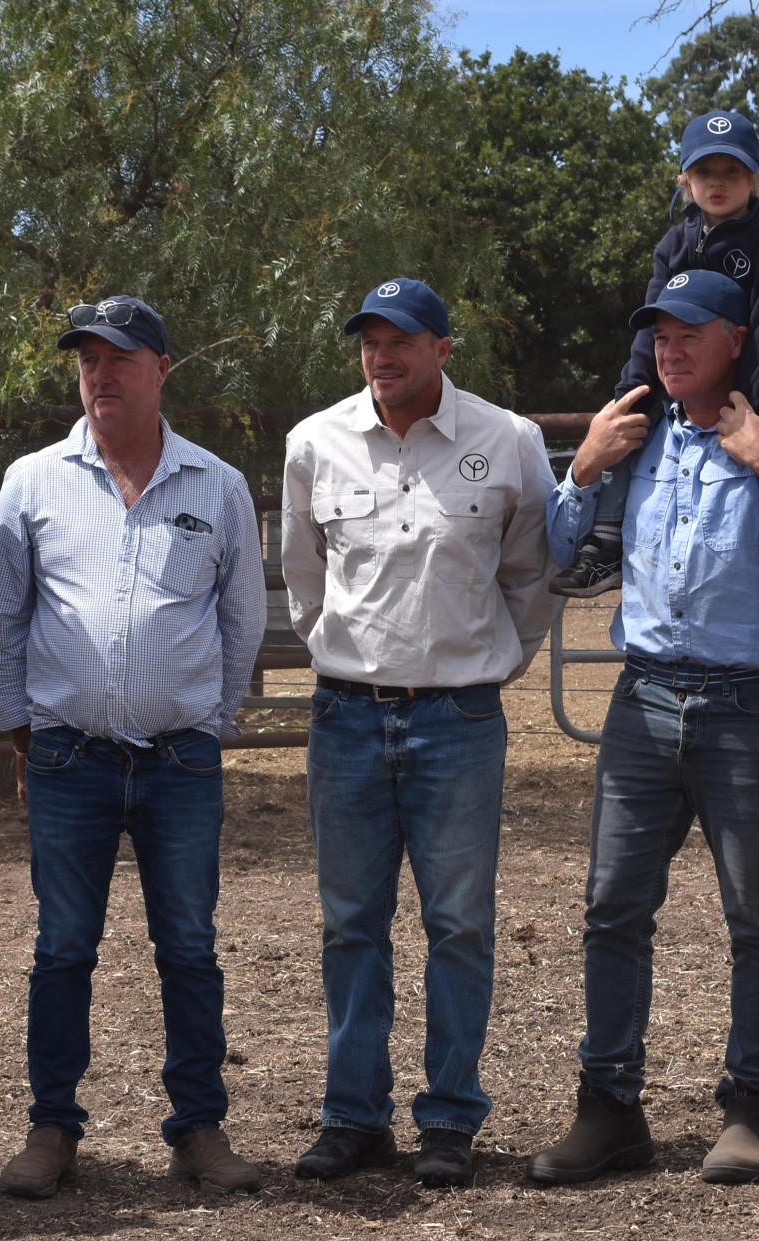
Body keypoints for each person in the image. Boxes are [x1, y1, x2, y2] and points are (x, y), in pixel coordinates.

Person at [531, 269, 759, 1186]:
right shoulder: (634, 440)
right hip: (644, 697)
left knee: (757, 915)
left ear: (734, 338)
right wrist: (583, 469)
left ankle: (751, 1107)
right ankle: (609, 1107)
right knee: (612, 907)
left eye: (689, 332)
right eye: (660, 333)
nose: (669, 347)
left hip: (752, 704)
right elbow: (563, 558)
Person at [0, 295, 268, 1199]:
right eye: (87, 360)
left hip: (181, 758)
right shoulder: (33, 480)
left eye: (119, 358)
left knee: (188, 943)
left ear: (161, 370)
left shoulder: (215, 485)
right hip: (70, 756)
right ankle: (52, 1125)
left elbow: (242, 619)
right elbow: (4, 618)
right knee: (63, 947)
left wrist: (206, 718)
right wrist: (28, 732)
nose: (99, 375)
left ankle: (198, 1124)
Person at [282, 278, 557, 1188]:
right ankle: (353, 1116)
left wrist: (488, 666)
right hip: (347, 713)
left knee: (460, 926)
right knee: (351, 925)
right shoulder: (314, 444)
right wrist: (345, 657)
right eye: (369, 339)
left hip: (460, 719)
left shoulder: (508, 441)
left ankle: (448, 1118)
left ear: (444, 347)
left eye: (402, 339)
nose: (382, 355)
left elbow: (532, 576)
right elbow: (305, 580)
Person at [552, 109, 759, 598]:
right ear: (684, 179)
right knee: (632, 412)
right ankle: (607, 538)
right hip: (694, 367)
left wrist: (743, 397)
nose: (717, 182)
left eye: (732, 171)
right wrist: (632, 389)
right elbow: (652, 323)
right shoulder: (674, 242)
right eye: (704, 172)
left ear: (758, 178)